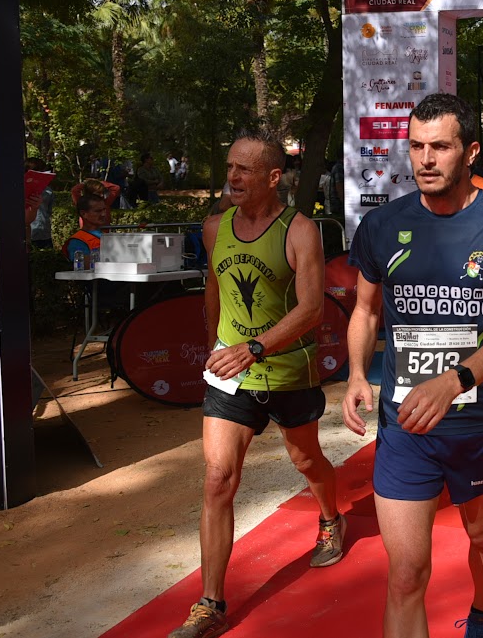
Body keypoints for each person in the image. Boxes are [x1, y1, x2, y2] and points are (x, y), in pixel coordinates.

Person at [343, 93, 483, 638]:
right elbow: (365, 311)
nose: (425, 159)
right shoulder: (382, 226)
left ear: (470, 151)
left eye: (440, 147)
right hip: (404, 424)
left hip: (476, 421)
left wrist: (454, 382)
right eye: (416, 147)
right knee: (406, 574)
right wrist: (358, 374)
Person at [168, 130, 344, 638]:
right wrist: (215, 345)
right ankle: (210, 604)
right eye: (230, 167)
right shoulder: (214, 227)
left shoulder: (300, 230)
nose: (233, 177)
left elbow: (312, 309)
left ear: (272, 177)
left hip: (287, 369)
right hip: (232, 374)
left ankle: (330, 519)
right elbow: (213, 286)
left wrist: (256, 347)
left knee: (306, 459)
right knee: (218, 478)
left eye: (244, 169)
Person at [62, 194, 110, 263]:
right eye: (98, 211)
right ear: (83, 214)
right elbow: (82, 265)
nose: (103, 214)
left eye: (104, 210)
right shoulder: (77, 241)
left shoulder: (105, 234)